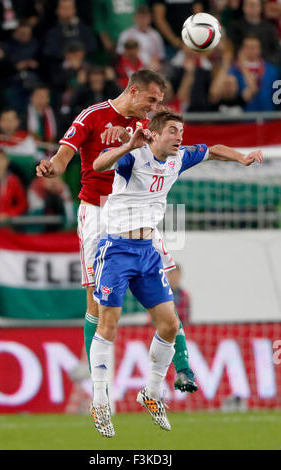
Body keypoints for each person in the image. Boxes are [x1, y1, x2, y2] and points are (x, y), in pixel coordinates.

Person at [89, 110, 263, 437]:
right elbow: (99, 165)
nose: (180, 137)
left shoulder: (178, 158)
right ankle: (100, 398)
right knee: (108, 322)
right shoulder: (134, 155)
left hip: (147, 253)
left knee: (169, 324)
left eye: (181, 131)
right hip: (115, 249)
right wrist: (129, 145)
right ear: (154, 134)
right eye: (173, 130)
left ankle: (152, 392)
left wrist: (241, 158)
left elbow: (212, 149)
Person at [35, 69, 198, 396]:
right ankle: (96, 385)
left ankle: (183, 368)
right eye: (151, 99)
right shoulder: (93, 116)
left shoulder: (146, 127)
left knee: (167, 283)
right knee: (96, 301)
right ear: (134, 91)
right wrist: (53, 166)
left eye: (159, 102)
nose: (153, 107)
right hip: (97, 212)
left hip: (136, 214)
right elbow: (65, 155)